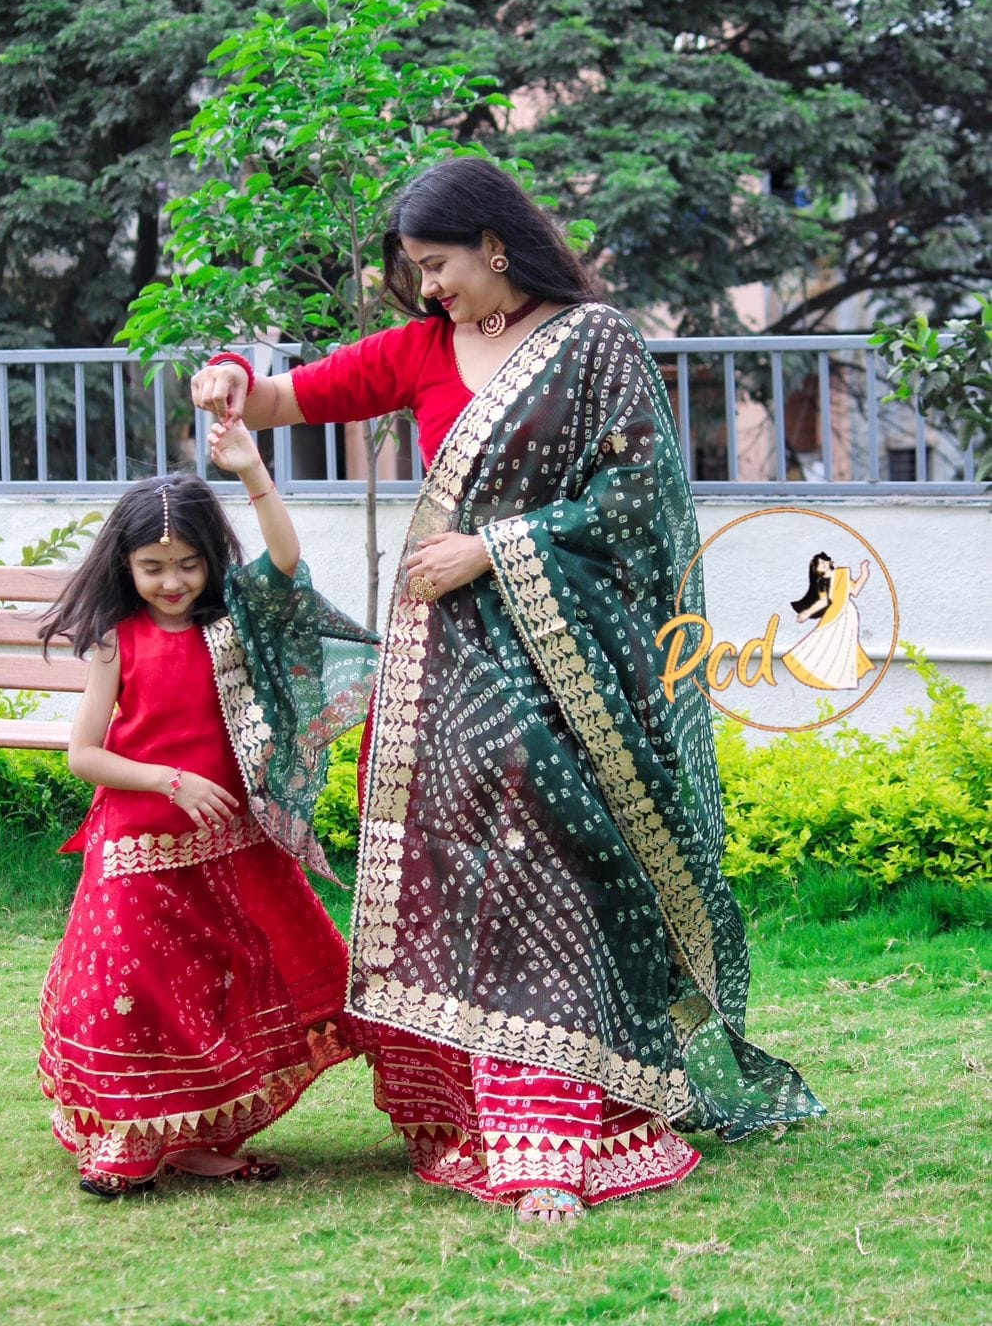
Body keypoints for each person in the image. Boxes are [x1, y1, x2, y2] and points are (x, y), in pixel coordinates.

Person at [191, 156, 824, 1224]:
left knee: (553, 864)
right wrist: (222, 374)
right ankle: (478, 1112)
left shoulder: (594, 344)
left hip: (565, 662)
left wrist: (494, 546)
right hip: (443, 668)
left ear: (495, 243)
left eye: (437, 263)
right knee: (461, 874)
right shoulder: (421, 348)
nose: (428, 286)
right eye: (414, 268)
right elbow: (281, 396)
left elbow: (637, 500)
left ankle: (563, 1128)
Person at [37, 425, 377, 1198]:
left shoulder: (235, 624)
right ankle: (125, 1142)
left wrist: (252, 469)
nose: (172, 581)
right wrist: (168, 781)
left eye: (189, 564)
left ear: (212, 560)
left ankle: (196, 1141)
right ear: (125, 564)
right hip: (137, 846)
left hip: (230, 846)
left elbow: (284, 561)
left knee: (224, 989)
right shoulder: (116, 640)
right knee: (130, 993)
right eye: (153, 567)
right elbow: (83, 755)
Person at [784, 552, 874, 690]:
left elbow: (855, 591)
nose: (823, 565)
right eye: (819, 564)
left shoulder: (841, 574)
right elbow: (823, 602)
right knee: (822, 639)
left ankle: (845, 678)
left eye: (824, 561)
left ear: (829, 562)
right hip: (832, 613)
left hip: (846, 613)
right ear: (816, 570)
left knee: (845, 645)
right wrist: (807, 612)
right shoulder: (821, 582)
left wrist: (864, 573)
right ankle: (823, 672)